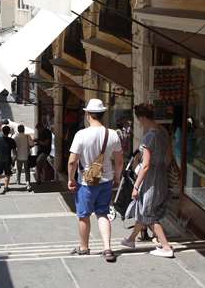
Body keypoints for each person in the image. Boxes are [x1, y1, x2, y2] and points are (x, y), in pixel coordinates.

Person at [67, 99, 123, 262]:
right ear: (103, 115)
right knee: (103, 213)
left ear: (88, 114)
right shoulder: (112, 134)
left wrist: (71, 179)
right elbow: (119, 161)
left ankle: (84, 247)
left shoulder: (81, 135)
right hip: (106, 180)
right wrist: (117, 177)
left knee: (84, 216)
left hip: (86, 182)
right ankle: (107, 248)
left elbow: (72, 161)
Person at [121, 104, 175, 258]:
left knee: (148, 213)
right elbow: (169, 156)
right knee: (143, 208)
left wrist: (136, 186)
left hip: (151, 178)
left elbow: (145, 166)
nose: (139, 122)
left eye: (138, 119)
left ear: (142, 118)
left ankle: (165, 247)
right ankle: (131, 239)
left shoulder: (149, 137)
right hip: (161, 175)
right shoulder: (163, 131)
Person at [0, 125, 16, 195]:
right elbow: (14, 151)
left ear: (2, 132)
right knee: (7, 174)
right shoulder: (12, 140)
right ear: (9, 132)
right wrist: (14, 159)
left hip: (0, 159)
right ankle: (6, 187)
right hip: (8, 159)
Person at [13, 124, 33, 191]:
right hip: (26, 156)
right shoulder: (27, 136)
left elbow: (12, 144)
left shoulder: (15, 136)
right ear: (24, 129)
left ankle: (18, 180)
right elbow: (32, 144)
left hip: (18, 155)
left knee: (18, 169)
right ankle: (27, 182)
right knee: (27, 170)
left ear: (18, 130)